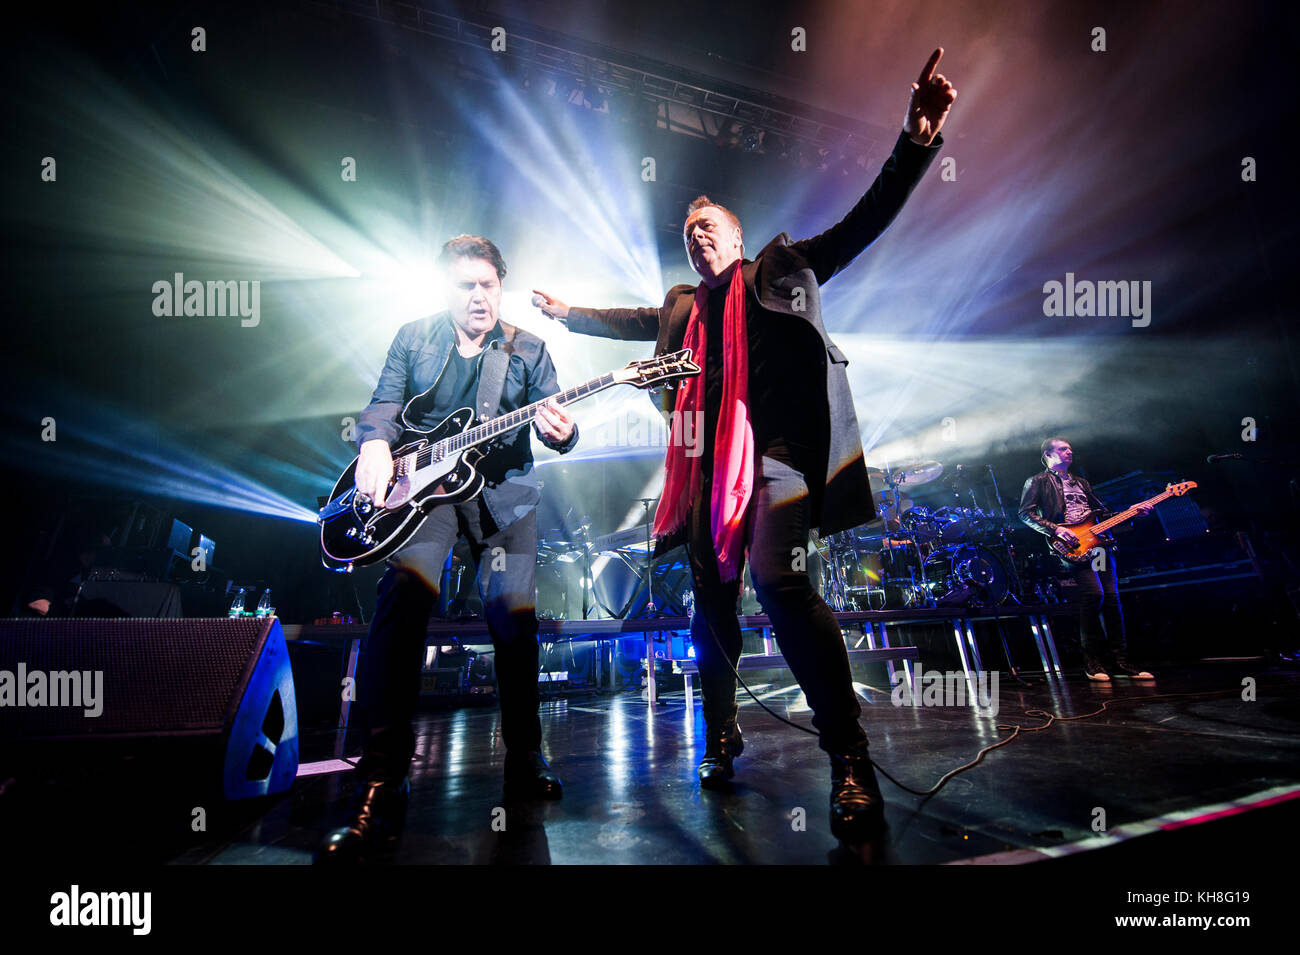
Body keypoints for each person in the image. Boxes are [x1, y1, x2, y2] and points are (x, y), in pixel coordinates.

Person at [532, 50, 956, 843]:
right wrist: (567, 314)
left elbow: (862, 224)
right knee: (711, 610)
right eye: (688, 232)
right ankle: (722, 732)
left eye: (709, 228)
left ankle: (851, 757)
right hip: (700, 469)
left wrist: (914, 142)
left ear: (736, 237)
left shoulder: (781, 268)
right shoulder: (681, 309)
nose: (697, 238)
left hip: (779, 455)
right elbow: (629, 319)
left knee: (781, 584)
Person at [317, 235, 578, 864]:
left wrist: (564, 432)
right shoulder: (414, 337)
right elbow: (381, 406)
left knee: (515, 624)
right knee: (402, 599)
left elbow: (559, 428)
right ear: (448, 290)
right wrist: (373, 445)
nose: (481, 295)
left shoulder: (528, 348)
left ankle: (524, 758)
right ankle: (384, 773)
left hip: (506, 500)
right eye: (467, 285)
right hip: (426, 499)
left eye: (490, 283)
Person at [1018, 437, 1155, 682]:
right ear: (1048, 454)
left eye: (1069, 448)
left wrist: (1134, 512)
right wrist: (1056, 529)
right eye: (1062, 448)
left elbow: (1102, 515)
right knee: (1094, 595)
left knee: (1112, 599)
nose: (1069, 451)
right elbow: (1025, 514)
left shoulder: (1082, 482)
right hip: (1072, 544)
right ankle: (1093, 662)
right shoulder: (1037, 481)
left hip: (1099, 545)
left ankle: (1121, 661)